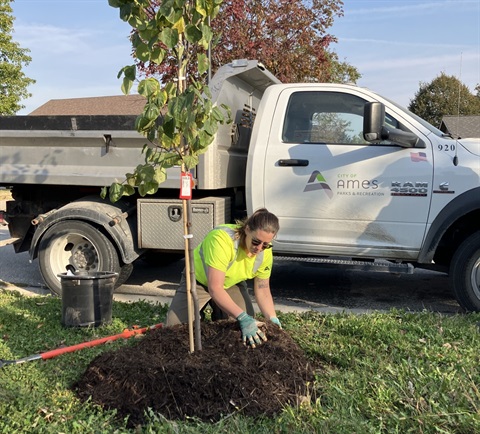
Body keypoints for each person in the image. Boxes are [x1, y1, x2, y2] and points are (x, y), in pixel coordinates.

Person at [166, 208, 281, 348]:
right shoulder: (221, 239)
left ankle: (220, 315)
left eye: (265, 244)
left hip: (231, 284)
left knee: (241, 330)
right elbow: (215, 288)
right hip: (199, 281)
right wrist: (243, 317)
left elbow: (262, 289)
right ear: (247, 229)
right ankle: (199, 316)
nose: (259, 248)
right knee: (173, 330)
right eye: (256, 242)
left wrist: (272, 318)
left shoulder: (265, 252)